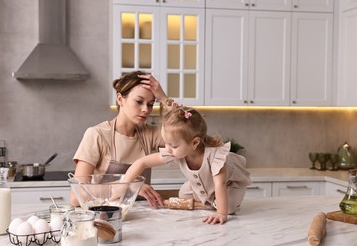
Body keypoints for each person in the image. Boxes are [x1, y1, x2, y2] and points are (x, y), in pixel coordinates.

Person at [122, 106, 251, 225]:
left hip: (229, 184)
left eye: (173, 145)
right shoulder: (177, 151)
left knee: (228, 208)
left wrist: (221, 214)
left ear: (195, 143)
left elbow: (219, 184)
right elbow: (142, 162)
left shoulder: (215, 156)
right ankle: (209, 203)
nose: (168, 149)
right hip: (206, 185)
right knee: (184, 193)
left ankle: (215, 205)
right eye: (166, 143)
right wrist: (124, 185)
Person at [70, 71, 175, 208]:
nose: (145, 109)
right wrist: (130, 185)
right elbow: (76, 196)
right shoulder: (97, 135)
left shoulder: (150, 133)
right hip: (106, 217)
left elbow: (189, 136)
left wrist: (163, 98)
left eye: (150, 104)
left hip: (144, 217)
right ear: (120, 99)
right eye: (139, 102)